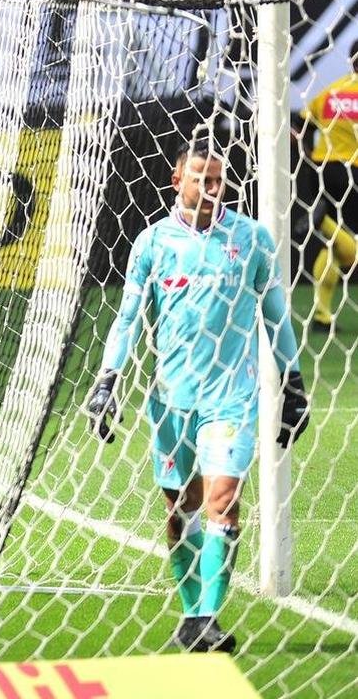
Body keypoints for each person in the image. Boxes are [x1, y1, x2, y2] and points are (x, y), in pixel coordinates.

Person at [86, 140, 310, 653]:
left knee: (223, 504)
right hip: (172, 400)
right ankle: (190, 612)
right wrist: (107, 381)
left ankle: (207, 615)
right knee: (180, 509)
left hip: (231, 399)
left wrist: (293, 383)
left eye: (218, 181)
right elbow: (127, 318)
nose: (212, 191)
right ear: (176, 181)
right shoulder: (152, 243)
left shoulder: (250, 238)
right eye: (201, 181)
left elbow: (275, 311)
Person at [297, 42, 358, 331]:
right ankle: (321, 221)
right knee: (351, 248)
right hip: (353, 174)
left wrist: (309, 157)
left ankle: (321, 317)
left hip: (323, 171)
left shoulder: (329, 92)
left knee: (335, 248)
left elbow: (302, 127)